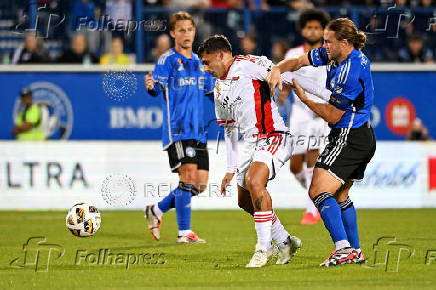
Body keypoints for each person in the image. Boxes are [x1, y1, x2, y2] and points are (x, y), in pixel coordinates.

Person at [266, 18, 376, 267]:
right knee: (340, 195)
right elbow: (299, 60)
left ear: (344, 42)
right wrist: (277, 69)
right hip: (359, 135)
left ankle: (343, 248)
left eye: (328, 41)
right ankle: (355, 250)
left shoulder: (350, 70)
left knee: (317, 190)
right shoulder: (335, 55)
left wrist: (304, 98)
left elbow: (333, 114)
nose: (323, 46)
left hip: (349, 135)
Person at [198, 35, 301, 268]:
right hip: (250, 144)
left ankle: (262, 249)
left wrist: (276, 77)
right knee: (245, 201)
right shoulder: (218, 89)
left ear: (221, 55)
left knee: (255, 182)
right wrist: (229, 169)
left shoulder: (247, 64)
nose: (205, 69)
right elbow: (229, 129)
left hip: (274, 135)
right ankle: (285, 241)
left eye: (207, 62)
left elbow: (275, 69)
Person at [143, 12, 214, 244]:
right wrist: (151, 87)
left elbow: (212, 92)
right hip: (179, 129)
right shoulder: (167, 60)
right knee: (188, 177)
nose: (186, 34)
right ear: (173, 33)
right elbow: (157, 87)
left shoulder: (200, 63)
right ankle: (184, 232)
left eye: (189, 30)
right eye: (181, 30)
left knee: (200, 184)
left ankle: (156, 210)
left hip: (199, 130)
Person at [281, 8, 330, 225]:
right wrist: (282, 93)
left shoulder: (330, 54)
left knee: (313, 158)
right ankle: (317, 194)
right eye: (309, 27)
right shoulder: (293, 54)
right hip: (299, 112)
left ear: (322, 30)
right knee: (294, 166)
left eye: (316, 27)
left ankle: (312, 210)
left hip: (319, 113)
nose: (312, 31)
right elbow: (285, 77)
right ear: (303, 30)